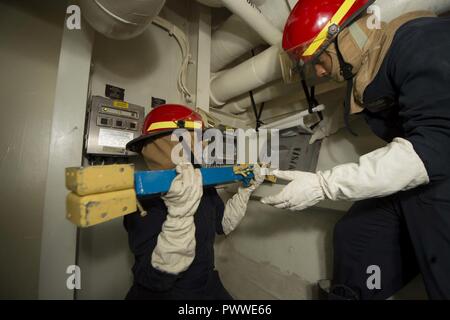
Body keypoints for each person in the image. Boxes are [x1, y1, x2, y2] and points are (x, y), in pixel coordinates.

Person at [261, 0, 450, 300]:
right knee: (354, 234)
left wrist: (324, 185)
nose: (320, 73)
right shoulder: (377, 60)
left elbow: (430, 149)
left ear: (343, 37)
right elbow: (368, 97)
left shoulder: (422, 43)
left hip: (436, 168)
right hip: (426, 173)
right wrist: (326, 125)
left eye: (319, 60)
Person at [122, 104, 263, 300]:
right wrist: (179, 215)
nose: (204, 146)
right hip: (168, 294)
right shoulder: (143, 200)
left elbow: (222, 225)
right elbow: (156, 280)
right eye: (197, 139)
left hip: (206, 284)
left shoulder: (203, 185)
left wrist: (245, 191)